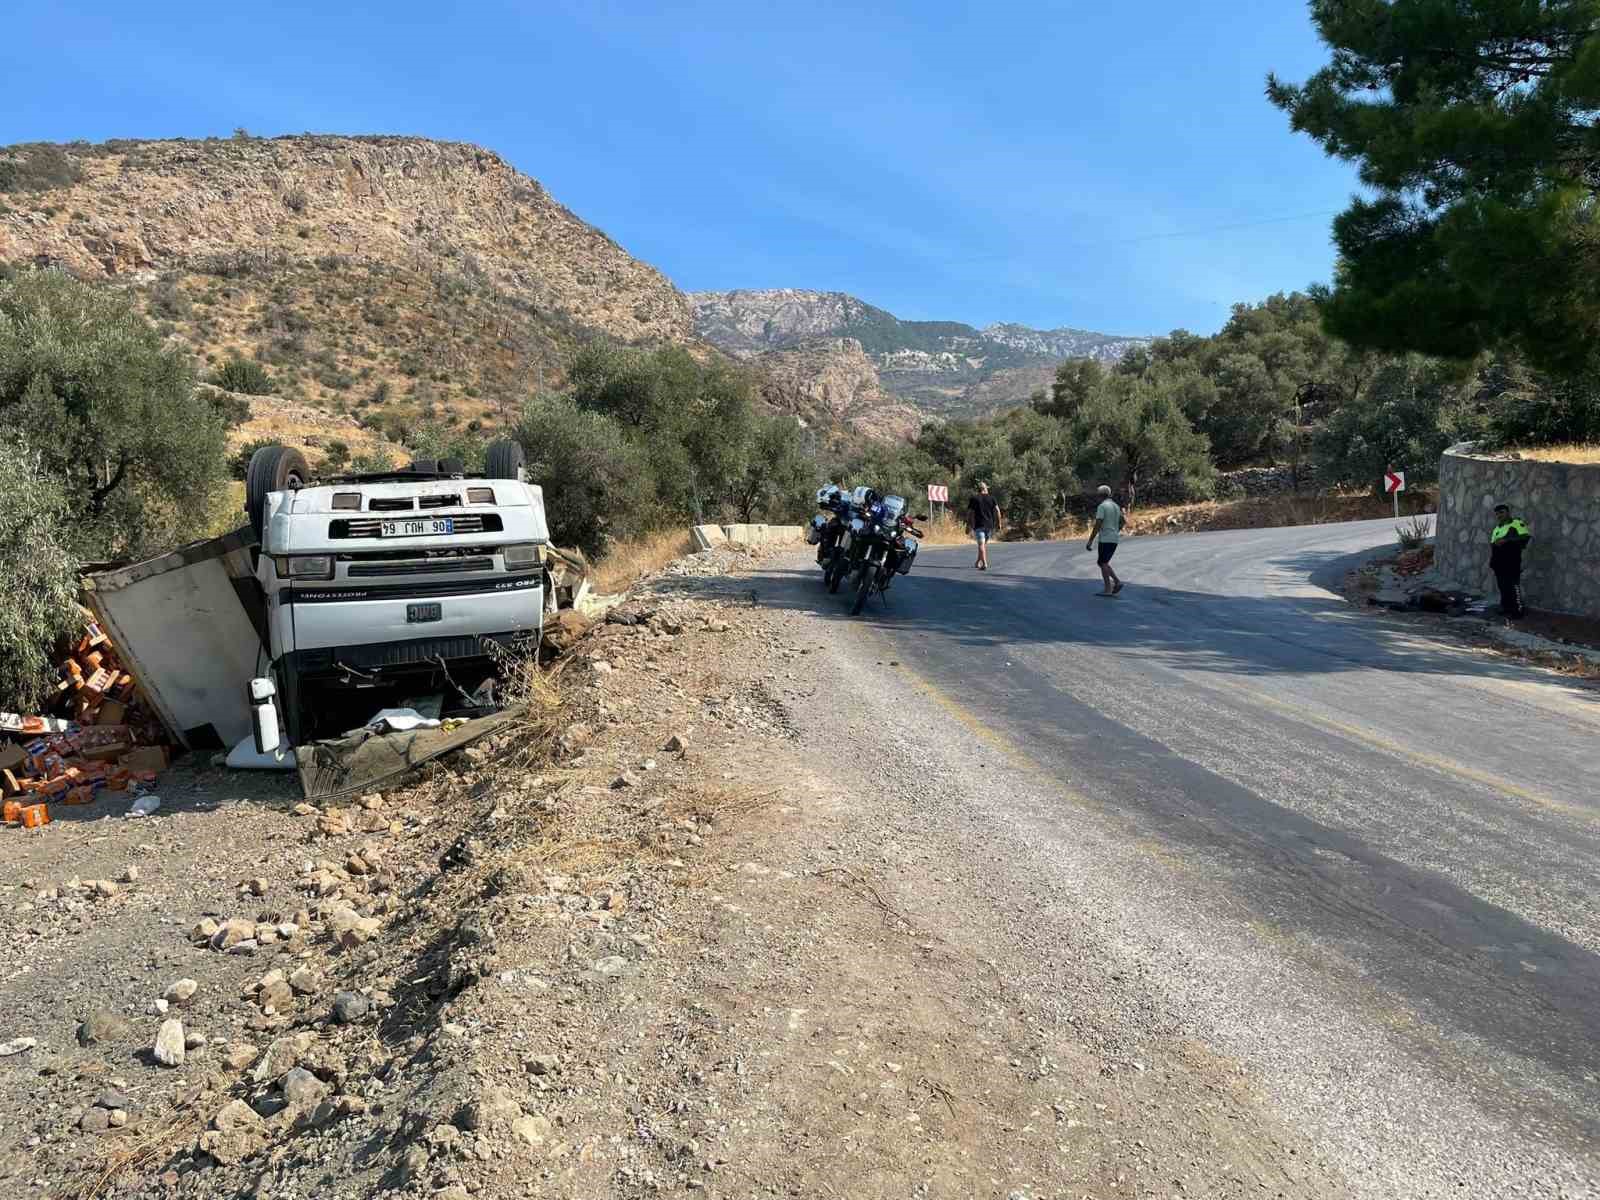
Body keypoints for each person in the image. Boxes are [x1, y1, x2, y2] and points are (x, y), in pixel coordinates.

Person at [1488, 503, 1531, 618]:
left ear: (1508, 512)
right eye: (1497, 514)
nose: (1499, 515)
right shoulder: (1497, 529)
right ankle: (1506, 607)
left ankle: (1518, 611)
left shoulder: (1516, 523)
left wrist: (1506, 540)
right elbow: (1493, 544)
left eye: (1501, 512)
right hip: (1499, 563)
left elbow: (1525, 537)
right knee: (1502, 586)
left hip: (1512, 561)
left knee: (1514, 586)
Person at [1086, 484, 1123, 595]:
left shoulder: (1102, 506)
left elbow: (1098, 523)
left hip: (1106, 538)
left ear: (1100, 495)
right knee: (1102, 562)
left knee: (1103, 563)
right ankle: (1114, 584)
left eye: (1097, 495)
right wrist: (1115, 530)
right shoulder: (1116, 506)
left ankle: (1111, 587)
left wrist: (1090, 540)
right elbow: (1123, 521)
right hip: (1114, 538)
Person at [967, 481, 1002, 571]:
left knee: (981, 545)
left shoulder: (974, 498)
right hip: (989, 526)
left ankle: (984, 563)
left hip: (979, 525)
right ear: (985, 488)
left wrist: (968, 525)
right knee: (982, 545)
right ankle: (978, 562)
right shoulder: (992, 498)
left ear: (978, 489)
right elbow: (997, 511)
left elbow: (970, 513)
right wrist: (999, 523)